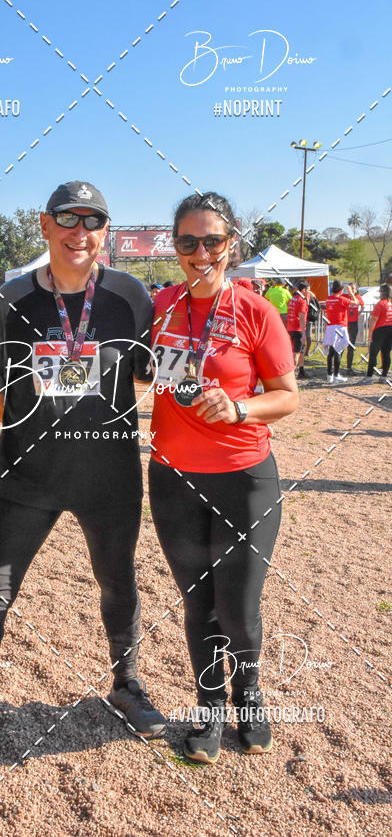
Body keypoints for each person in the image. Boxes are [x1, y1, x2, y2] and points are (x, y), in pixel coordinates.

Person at [0, 180, 166, 793]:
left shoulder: (133, 295)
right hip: (27, 475)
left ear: (104, 231)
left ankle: (126, 686)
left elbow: (153, 375)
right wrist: (24, 413)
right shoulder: (14, 296)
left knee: (118, 583)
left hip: (109, 474)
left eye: (93, 221)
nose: (80, 233)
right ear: (46, 227)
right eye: (67, 220)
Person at [148, 192, 298, 764]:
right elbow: (132, 365)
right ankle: (210, 706)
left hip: (244, 478)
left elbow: (288, 397)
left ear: (231, 244)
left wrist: (239, 409)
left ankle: (250, 693)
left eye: (213, 240)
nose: (201, 252)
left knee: (238, 605)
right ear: (176, 247)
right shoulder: (159, 304)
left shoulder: (257, 309)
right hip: (173, 478)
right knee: (198, 602)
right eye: (188, 242)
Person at [323, 280, 356, 384]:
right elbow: (356, 302)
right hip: (340, 326)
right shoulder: (342, 299)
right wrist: (350, 292)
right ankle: (336, 375)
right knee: (338, 350)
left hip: (330, 326)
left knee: (331, 352)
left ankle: (330, 374)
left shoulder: (328, 299)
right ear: (341, 290)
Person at [363, 284, 392, 383]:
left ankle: (369, 377)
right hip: (390, 329)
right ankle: (383, 377)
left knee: (373, 353)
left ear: (382, 292)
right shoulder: (390, 303)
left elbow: (373, 320)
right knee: (386, 353)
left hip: (380, 330)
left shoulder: (380, 304)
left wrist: (370, 334)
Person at [286, 280, 309, 378]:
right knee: (296, 352)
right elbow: (302, 317)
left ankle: (301, 370)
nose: (309, 292)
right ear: (303, 290)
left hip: (291, 328)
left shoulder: (292, 299)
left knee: (300, 351)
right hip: (298, 329)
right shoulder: (301, 301)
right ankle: (292, 374)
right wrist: (304, 333)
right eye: (308, 290)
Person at [345, 283, 364, 375]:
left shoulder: (358, 297)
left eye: (353, 289)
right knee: (341, 344)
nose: (351, 290)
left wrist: (359, 313)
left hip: (353, 323)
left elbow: (362, 305)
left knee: (351, 345)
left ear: (356, 290)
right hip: (345, 323)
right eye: (350, 288)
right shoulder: (344, 296)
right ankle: (336, 367)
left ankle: (349, 367)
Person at [304, 287, 320, 359]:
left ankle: (305, 350)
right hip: (308, 316)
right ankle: (306, 350)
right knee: (308, 334)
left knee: (306, 334)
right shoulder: (311, 294)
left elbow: (309, 304)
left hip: (306, 316)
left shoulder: (308, 295)